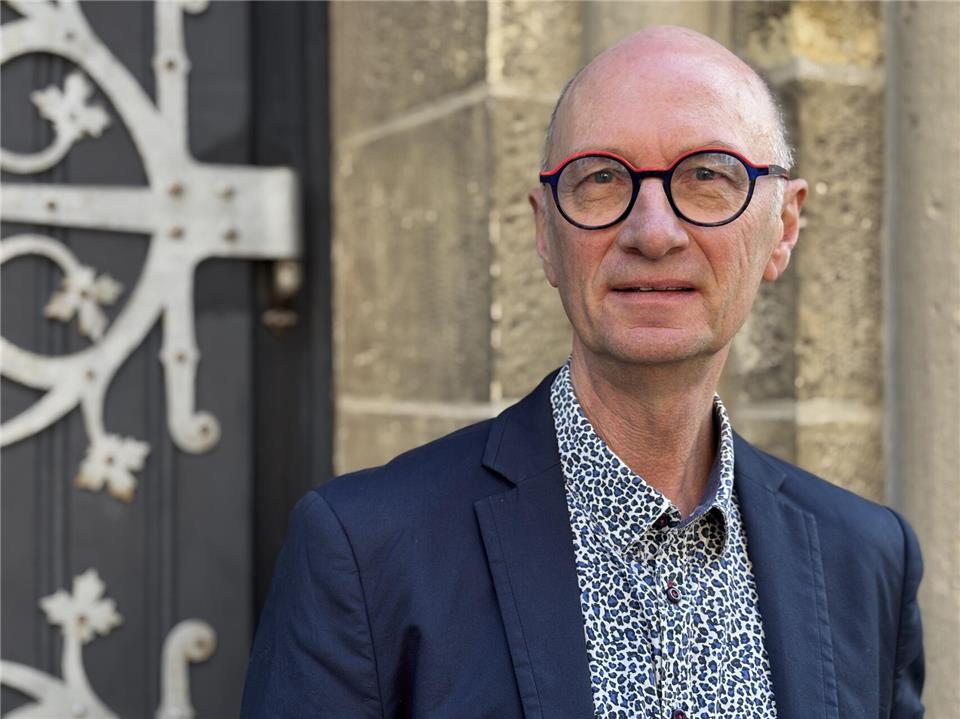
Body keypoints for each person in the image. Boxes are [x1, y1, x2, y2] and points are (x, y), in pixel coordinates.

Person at [241, 26, 924, 719]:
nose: (653, 232)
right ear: (545, 232)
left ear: (782, 227)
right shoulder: (366, 554)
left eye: (708, 175)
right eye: (602, 178)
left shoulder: (867, 560)